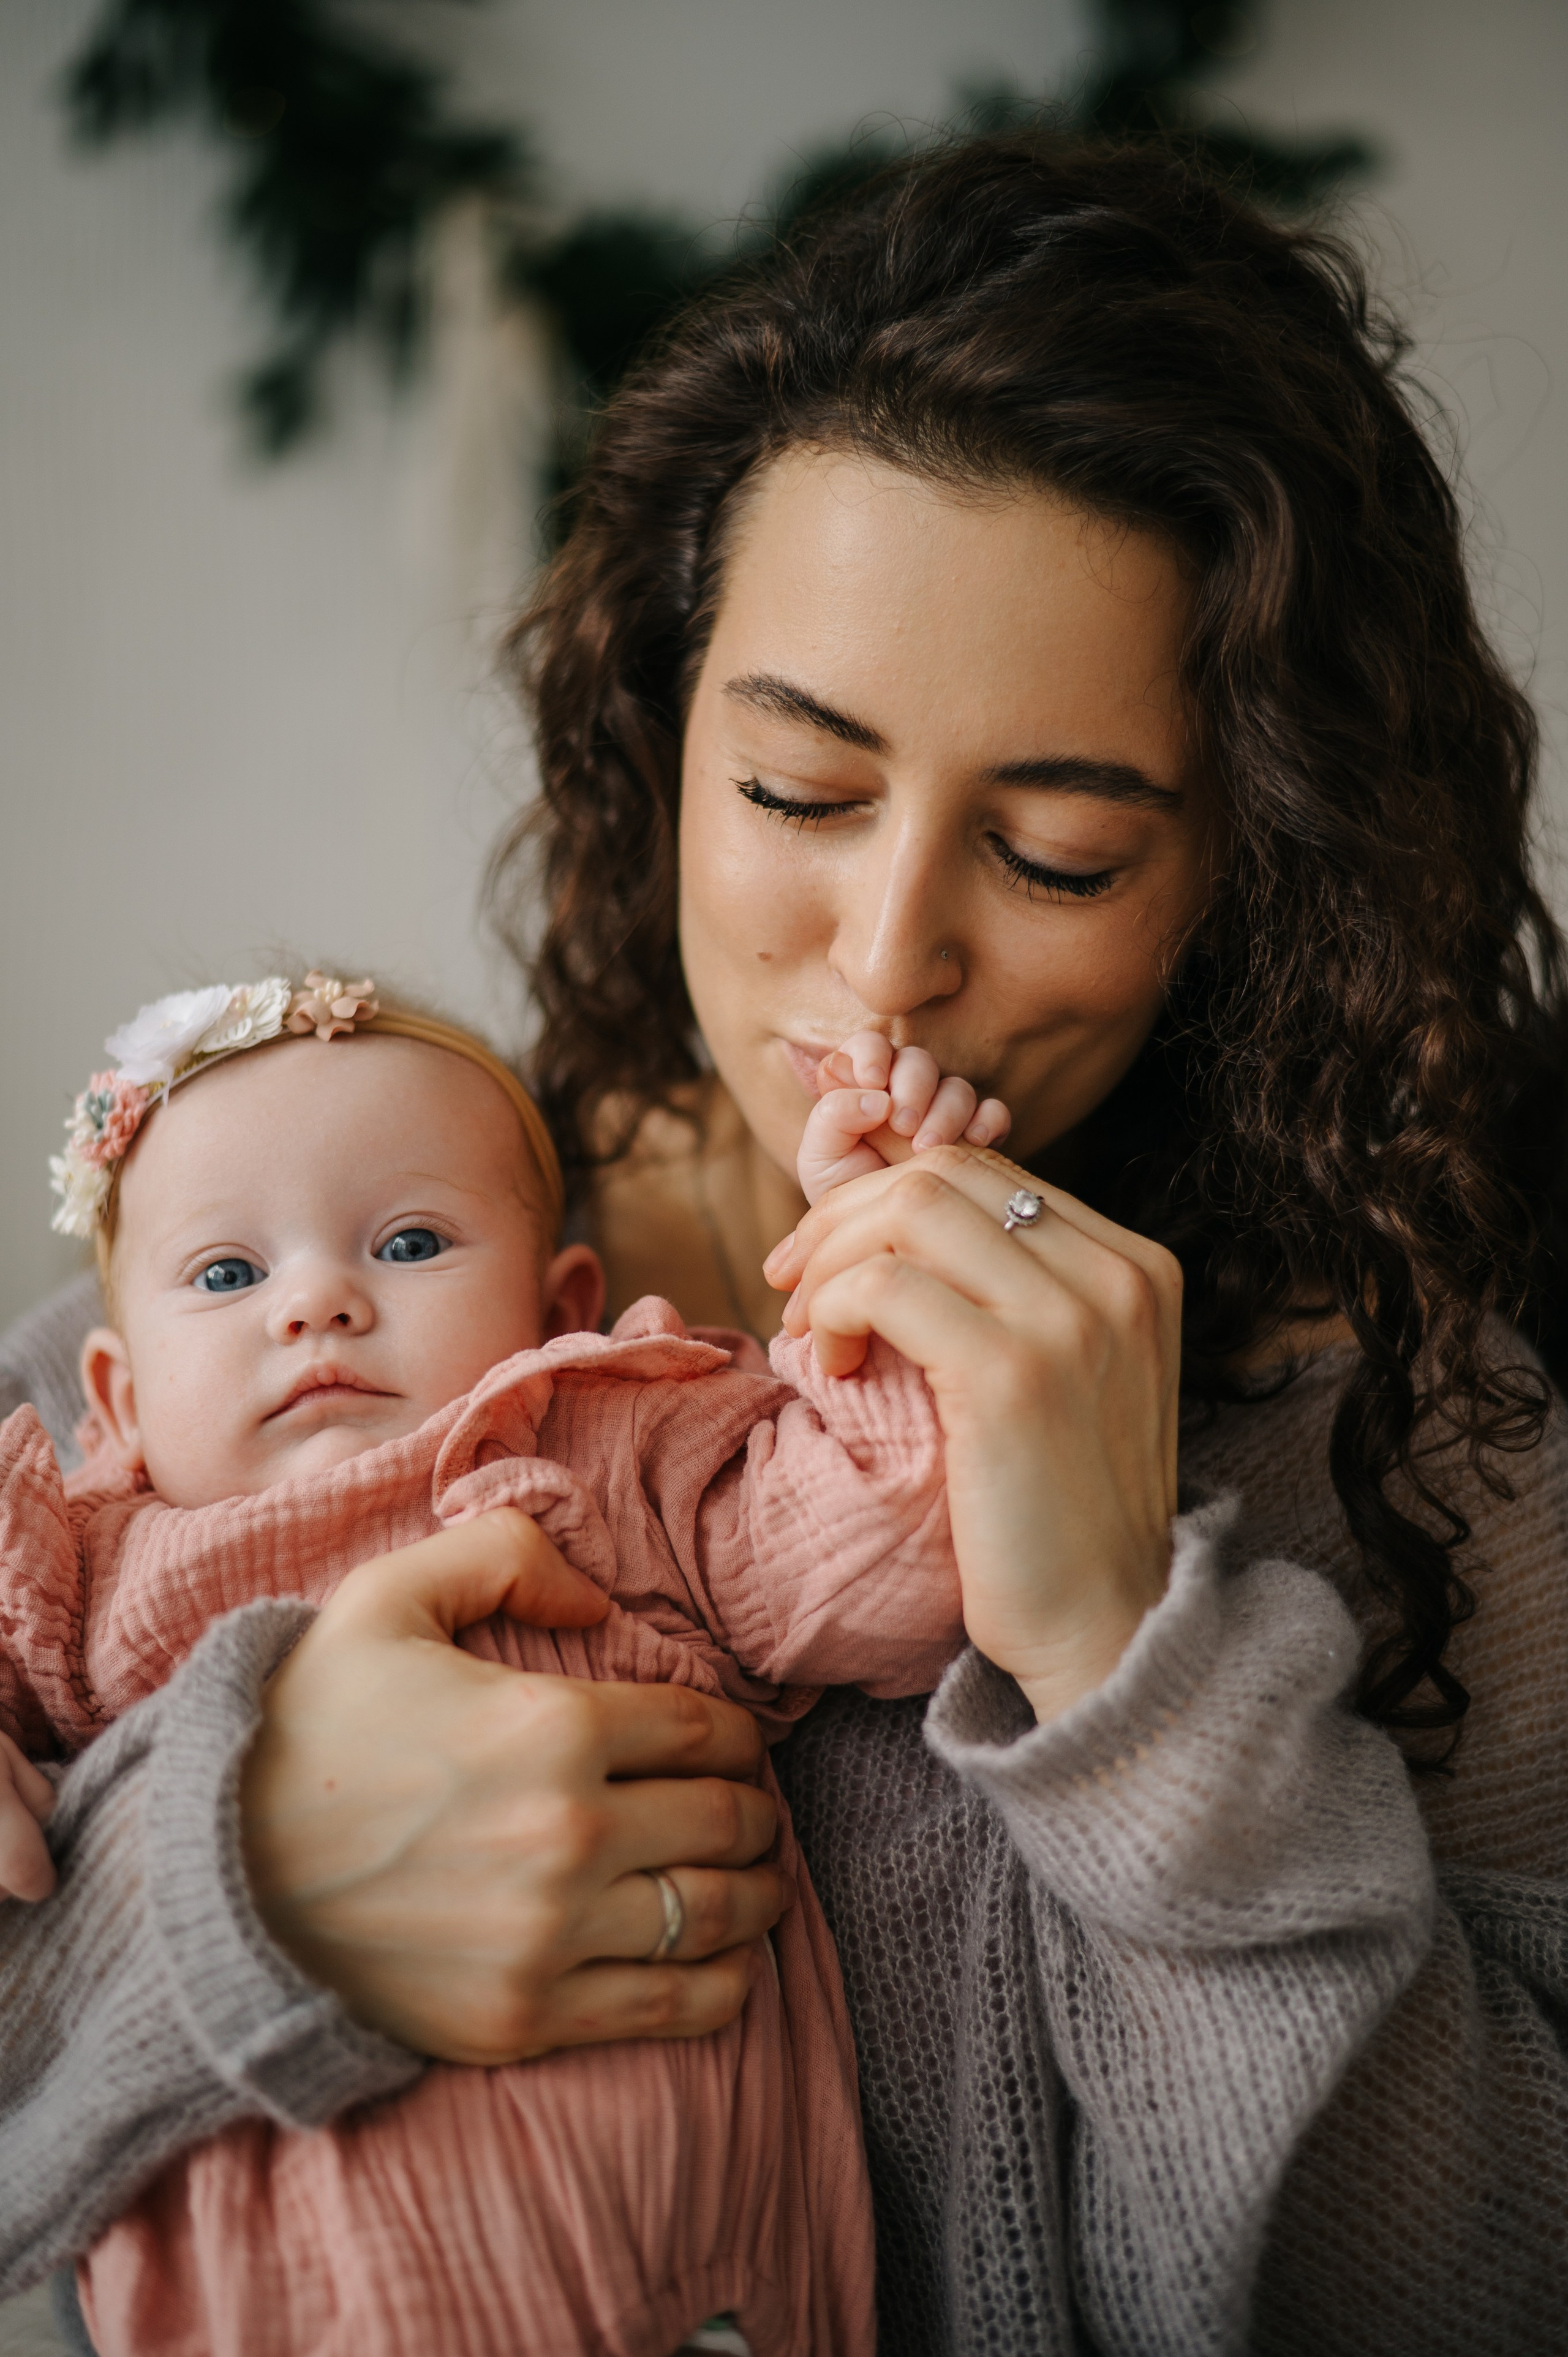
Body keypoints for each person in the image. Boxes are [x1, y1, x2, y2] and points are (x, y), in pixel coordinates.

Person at [2, 130, 1566, 2356]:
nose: (892, 951)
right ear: (662, 727)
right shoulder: (237, 1319)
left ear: (1249, 868)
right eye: (803, 794)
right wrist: (230, 1893)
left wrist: (1145, 1664)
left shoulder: (1426, 1445)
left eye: (1053, 849)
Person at [1, 975, 1005, 2357]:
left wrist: (874, 1258)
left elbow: (892, 1561)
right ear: (115, 1398)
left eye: (408, 1241)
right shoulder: (81, 1567)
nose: (318, 1304)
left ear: (556, 1306)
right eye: (229, 1275)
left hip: (681, 2288)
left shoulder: (607, 1446)